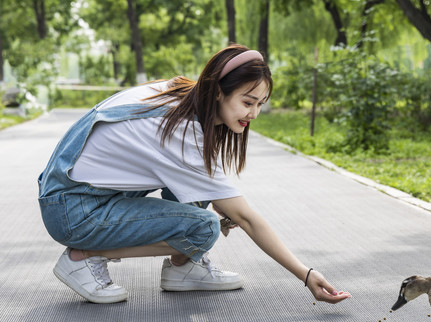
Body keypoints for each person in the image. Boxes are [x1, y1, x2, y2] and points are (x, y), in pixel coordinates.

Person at [37, 44, 351, 305]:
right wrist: (306, 275)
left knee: (200, 189)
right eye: (247, 102)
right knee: (204, 227)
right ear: (218, 91)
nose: (253, 114)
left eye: (260, 104)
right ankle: (85, 256)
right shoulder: (181, 130)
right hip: (74, 211)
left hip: (76, 195)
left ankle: (183, 268)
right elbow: (247, 219)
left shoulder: (181, 95)